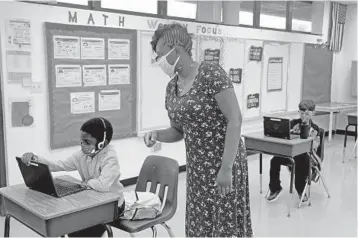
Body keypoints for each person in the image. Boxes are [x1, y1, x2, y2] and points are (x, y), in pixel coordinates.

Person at [144, 23, 253, 237]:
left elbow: (235, 119)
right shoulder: (172, 87)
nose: (159, 62)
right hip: (197, 169)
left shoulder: (210, 73)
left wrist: (226, 168)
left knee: (223, 224)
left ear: (177, 49)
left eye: (161, 55)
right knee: (200, 224)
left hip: (224, 164)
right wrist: (157, 135)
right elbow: (178, 130)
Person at [21, 117, 124, 237]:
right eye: (81, 141)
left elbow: (103, 185)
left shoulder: (110, 158)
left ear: (103, 143)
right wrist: (35, 158)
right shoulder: (81, 155)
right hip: (93, 201)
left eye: (87, 142)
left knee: (84, 231)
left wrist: (87, 183)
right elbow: (58, 165)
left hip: (112, 205)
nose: (82, 145)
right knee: (72, 226)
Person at [267, 100, 320, 203]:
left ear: (313, 113)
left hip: (306, 155)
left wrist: (309, 138)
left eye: (307, 114)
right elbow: (284, 137)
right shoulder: (293, 123)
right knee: (274, 160)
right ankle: (275, 188)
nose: (304, 116)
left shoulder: (315, 128)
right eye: (301, 113)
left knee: (300, 159)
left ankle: (300, 188)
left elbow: (315, 146)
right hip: (290, 153)